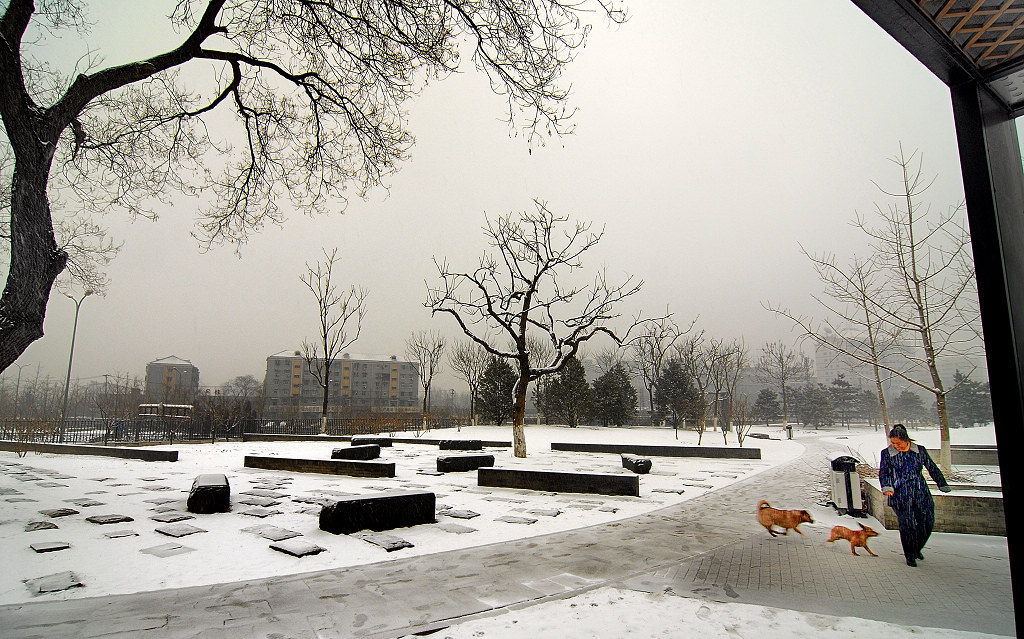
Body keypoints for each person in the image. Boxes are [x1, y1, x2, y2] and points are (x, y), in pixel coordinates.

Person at [879, 423, 952, 567]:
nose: (895, 446)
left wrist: (942, 483)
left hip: (920, 491)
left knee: (927, 522)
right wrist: (887, 486)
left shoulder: (920, 451)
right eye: (893, 443)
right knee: (908, 525)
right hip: (900, 493)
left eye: (898, 443)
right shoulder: (887, 453)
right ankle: (910, 555)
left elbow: (932, 468)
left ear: (907, 440)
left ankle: (916, 547)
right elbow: (884, 472)